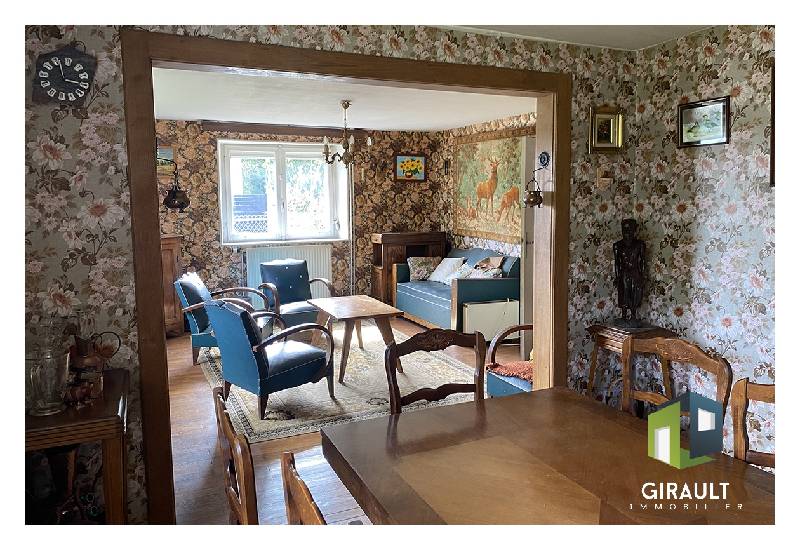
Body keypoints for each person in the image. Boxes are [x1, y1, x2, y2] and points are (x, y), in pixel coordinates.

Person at [613, 218, 645, 326]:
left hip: (635, 272)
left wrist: (642, 276)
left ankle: (633, 316)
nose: (627, 232)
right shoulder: (617, 245)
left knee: (635, 293)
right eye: (624, 229)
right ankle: (623, 316)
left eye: (629, 229)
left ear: (634, 230)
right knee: (623, 293)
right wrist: (617, 276)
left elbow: (642, 261)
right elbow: (617, 263)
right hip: (623, 273)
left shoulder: (640, 244)